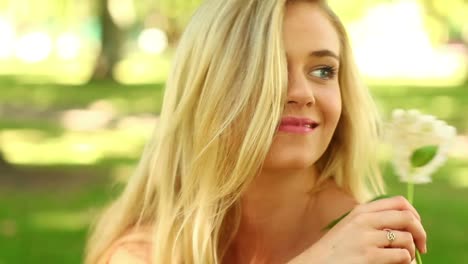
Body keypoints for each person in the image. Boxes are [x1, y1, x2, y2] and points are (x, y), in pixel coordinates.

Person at [85, 0, 427, 263]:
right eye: (269, 68)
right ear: (208, 88)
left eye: (323, 70)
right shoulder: (148, 250)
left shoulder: (372, 247)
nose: (302, 93)